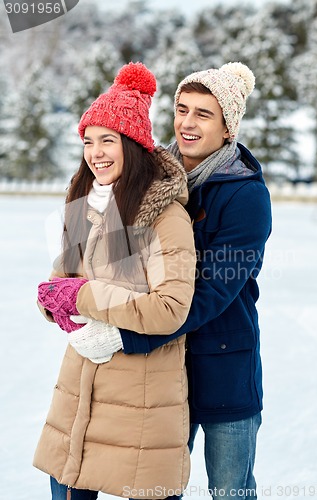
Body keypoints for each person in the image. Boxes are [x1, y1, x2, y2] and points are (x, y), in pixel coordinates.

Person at [33, 62, 196, 500]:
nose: (96, 152)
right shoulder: (85, 205)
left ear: (134, 145)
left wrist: (83, 296)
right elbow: (60, 285)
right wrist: (53, 302)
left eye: (108, 140)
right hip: (77, 402)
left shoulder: (166, 217)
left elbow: (170, 308)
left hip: (141, 407)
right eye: (88, 141)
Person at [116, 62, 273, 500]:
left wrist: (134, 335)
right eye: (181, 109)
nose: (186, 123)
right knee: (154, 489)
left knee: (230, 491)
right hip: (164, 369)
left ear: (228, 128)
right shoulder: (149, 178)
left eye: (203, 114)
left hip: (224, 363)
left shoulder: (245, 194)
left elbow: (214, 289)